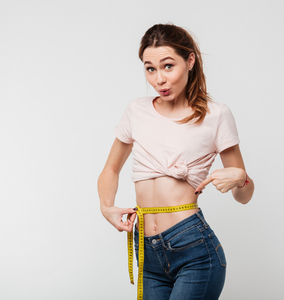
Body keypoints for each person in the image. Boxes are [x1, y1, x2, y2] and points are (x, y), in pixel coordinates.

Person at [98, 23, 254, 300]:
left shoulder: (216, 115)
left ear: (190, 60)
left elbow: (243, 196)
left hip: (193, 248)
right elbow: (111, 169)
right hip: (147, 251)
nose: (159, 79)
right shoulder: (136, 110)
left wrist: (240, 177)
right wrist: (106, 207)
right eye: (150, 69)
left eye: (168, 66)